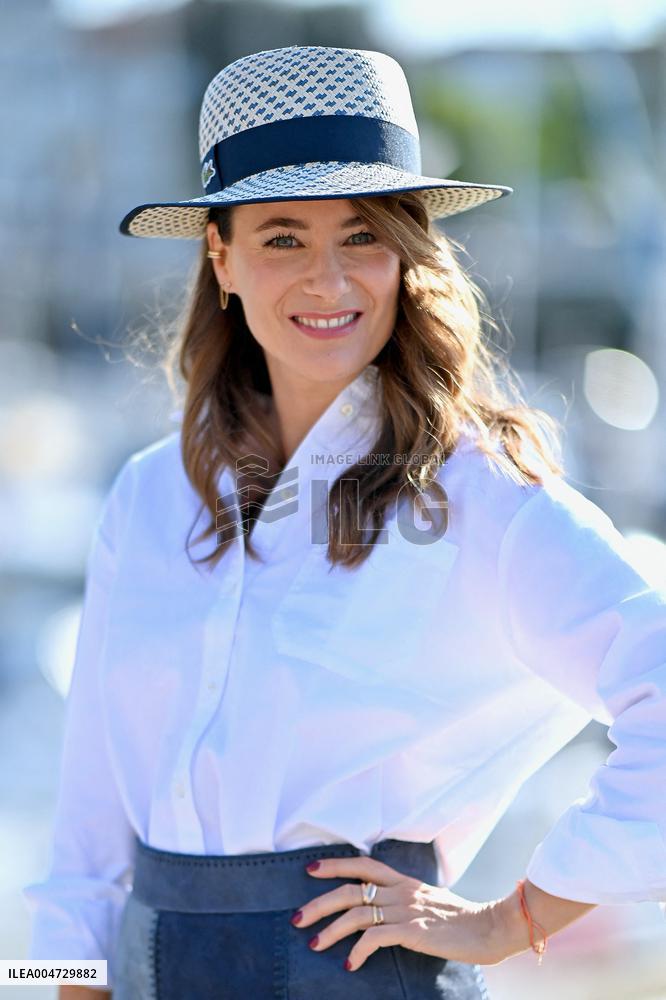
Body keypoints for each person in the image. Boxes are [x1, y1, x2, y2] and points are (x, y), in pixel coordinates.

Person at [23, 44, 666, 1000]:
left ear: (407, 256)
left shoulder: (478, 495)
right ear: (221, 257)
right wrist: (51, 985)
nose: (329, 281)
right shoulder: (148, 496)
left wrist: (513, 918)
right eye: (283, 238)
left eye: (362, 236)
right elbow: (82, 839)